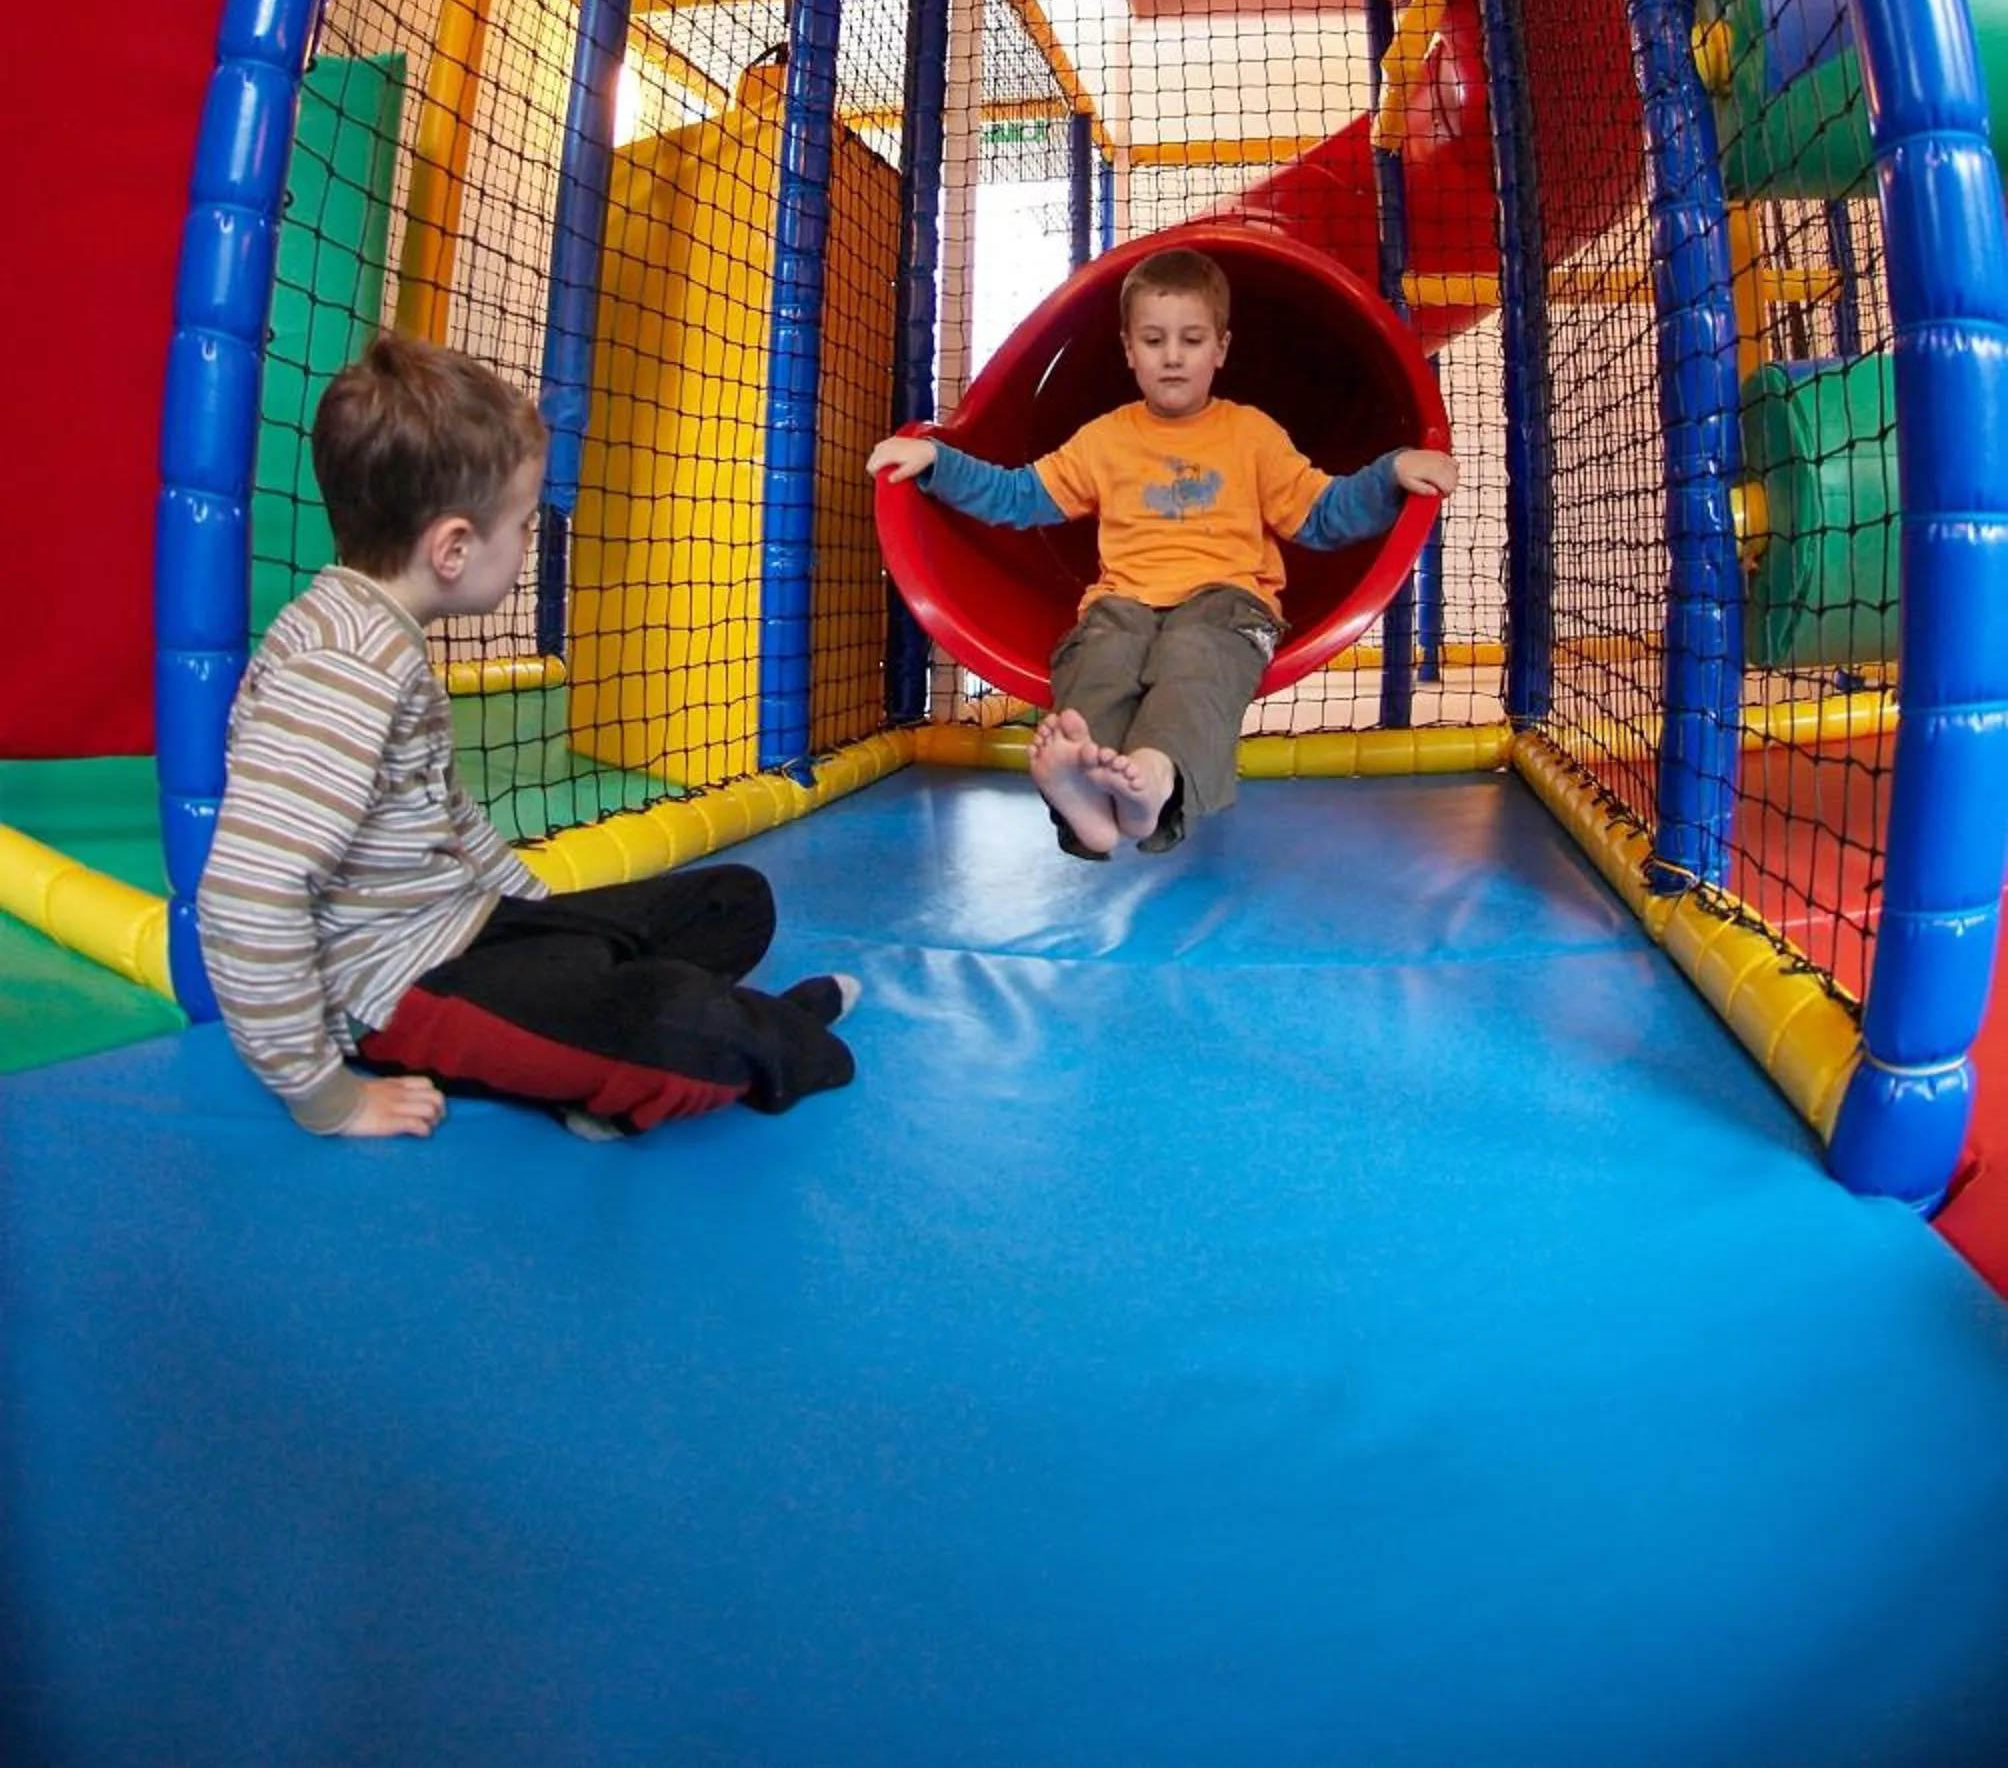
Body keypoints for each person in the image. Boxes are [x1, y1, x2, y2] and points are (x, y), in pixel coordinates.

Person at [198, 333, 858, 1142]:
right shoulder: (342, 669)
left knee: (732, 902)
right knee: (686, 1035)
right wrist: (324, 1097)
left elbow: (449, 817)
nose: (528, 541)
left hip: (468, 925)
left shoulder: (378, 630)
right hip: (398, 990)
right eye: (521, 524)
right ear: (452, 547)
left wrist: (558, 919)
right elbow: (248, 897)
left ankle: (599, 1038)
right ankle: (767, 1037)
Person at [869, 247, 1458, 858]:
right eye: (1153, 340)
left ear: (1220, 349)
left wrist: (1391, 473)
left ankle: (1156, 777)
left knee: (1196, 658)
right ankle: (1087, 811)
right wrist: (939, 462)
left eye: (1191, 339)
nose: (1172, 355)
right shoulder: (1106, 438)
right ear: (1129, 350)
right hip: (1124, 599)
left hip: (1230, 602)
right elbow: (1021, 496)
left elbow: (1321, 514)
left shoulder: (1251, 434)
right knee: (1096, 655)